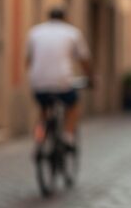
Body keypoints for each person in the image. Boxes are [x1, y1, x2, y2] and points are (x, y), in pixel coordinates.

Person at [25, 8, 91, 147]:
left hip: (39, 81)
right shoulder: (72, 32)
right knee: (72, 106)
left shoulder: (35, 32)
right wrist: (90, 77)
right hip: (63, 81)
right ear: (65, 18)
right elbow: (84, 59)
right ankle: (68, 136)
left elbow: (28, 60)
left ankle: (39, 137)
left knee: (43, 110)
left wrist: (35, 77)